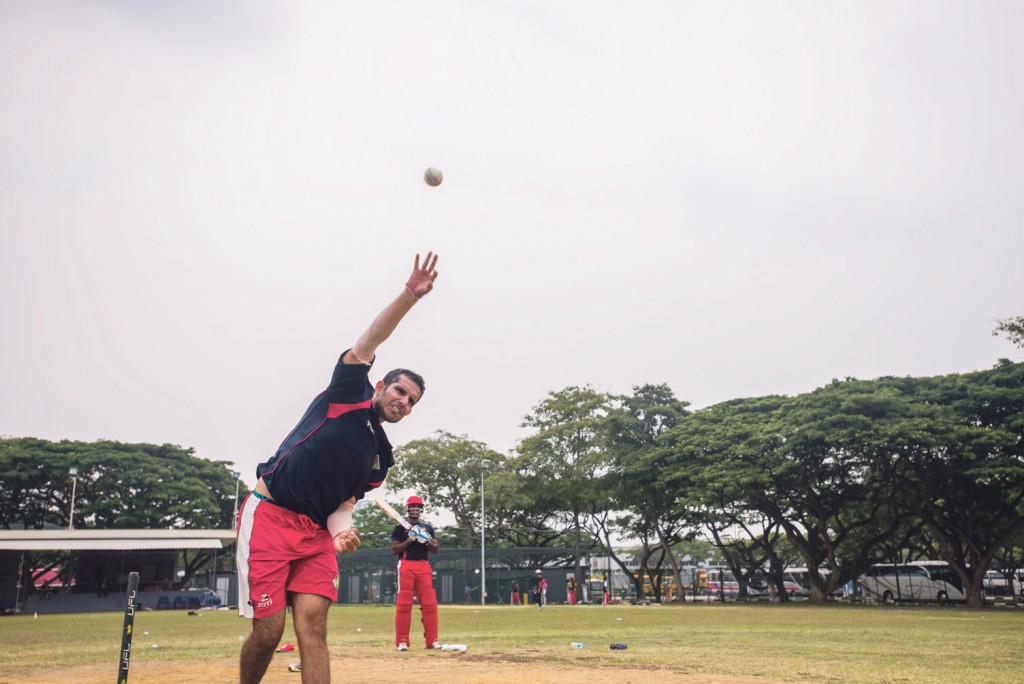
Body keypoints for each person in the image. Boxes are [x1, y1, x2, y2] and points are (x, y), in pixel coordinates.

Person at [236, 252, 440, 684]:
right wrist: (410, 295)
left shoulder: (380, 458)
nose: (403, 401)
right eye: (400, 390)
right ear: (381, 385)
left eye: (411, 402)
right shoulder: (348, 390)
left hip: (315, 535)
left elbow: (342, 504)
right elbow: (372, 336)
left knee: (313, 625)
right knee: (270, 630)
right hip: (271, 514)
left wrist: (340, 532)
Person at [390, 494, 441, 650]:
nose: (415, 509)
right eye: (412, 506)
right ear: (408, 509)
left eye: (418, 507)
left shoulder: (427, 528)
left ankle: (432, 640)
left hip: (423, 566)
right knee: (404, 603)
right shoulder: (399, 528)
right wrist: (410, 540)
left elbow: (435, 548)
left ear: (421, 509)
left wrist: (425, 540)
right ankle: (402, 641)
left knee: (430, 603)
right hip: (406, 565)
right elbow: (394, 549)